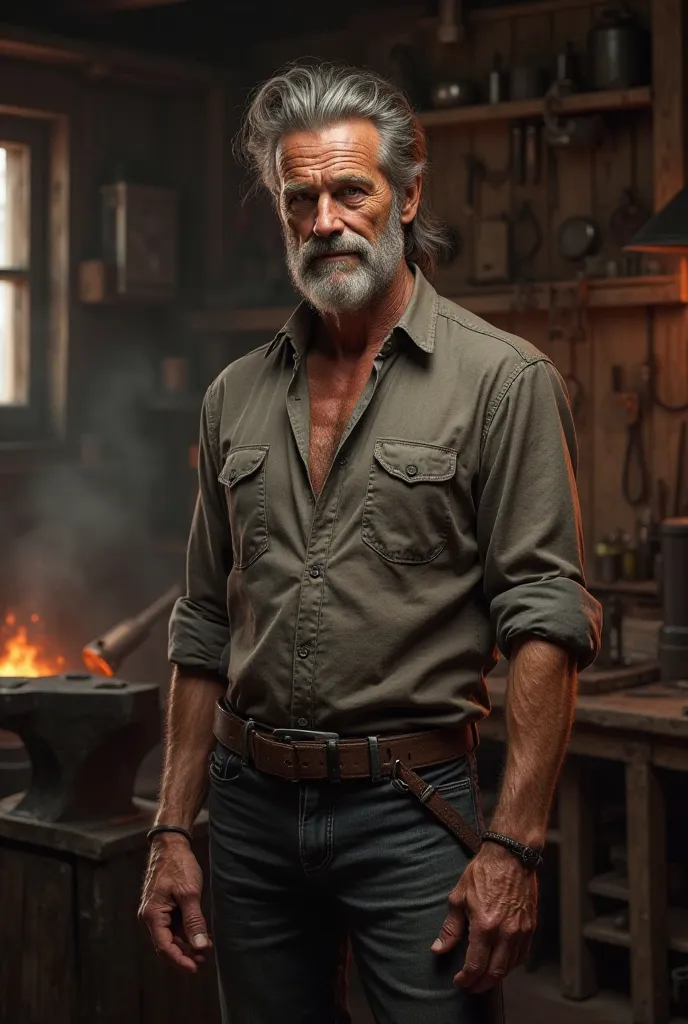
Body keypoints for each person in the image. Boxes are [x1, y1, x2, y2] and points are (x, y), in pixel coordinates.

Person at [138, 62, 602, 1024]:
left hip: (413, 808)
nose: (325, 220)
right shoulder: (234, 396)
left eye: (352, 190)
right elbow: (203, 624)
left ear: (408, 194)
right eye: (297, 197)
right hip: (250, 809)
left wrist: (512, 846)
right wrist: (173, 827)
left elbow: (545, 622)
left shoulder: (503, 382)